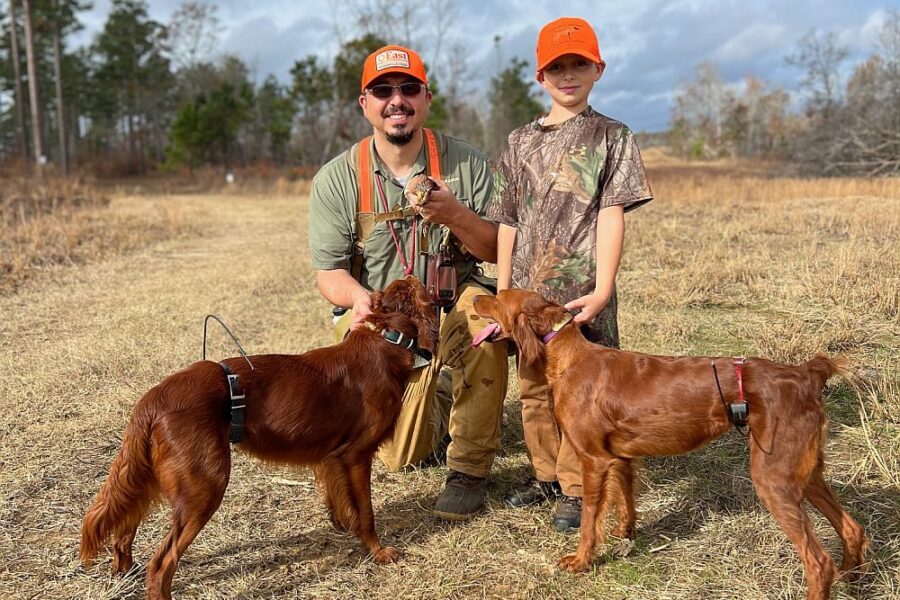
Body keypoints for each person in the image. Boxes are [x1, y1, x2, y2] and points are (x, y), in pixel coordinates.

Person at [308, 45, 508, 520]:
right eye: (382, 90)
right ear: (365, 103)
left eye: (408, 89)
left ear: (426, 98)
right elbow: (329, 273)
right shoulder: (337, 179)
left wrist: (457, 215)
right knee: (400, 456)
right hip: (384, 316)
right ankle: (435, 399)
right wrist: (360, 301)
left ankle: (469, 469)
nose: (395, 100)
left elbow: (502, 248)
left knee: (486, 327)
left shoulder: (466, 163)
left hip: (454, 299)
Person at [489, 17, 653, 532]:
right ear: (540, 76)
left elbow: (611, 213)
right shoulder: (519, 141)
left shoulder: (613, 136)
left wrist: (602, 289)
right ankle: (545, 476)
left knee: (584, 392)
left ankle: (579, 484)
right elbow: (508, 219)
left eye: (578, 64)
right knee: (535, 389)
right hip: (526, 300)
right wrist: (501, 291)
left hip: (580, 299)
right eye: (556, 67)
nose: (567, 75)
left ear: (597, 69)